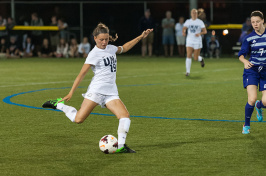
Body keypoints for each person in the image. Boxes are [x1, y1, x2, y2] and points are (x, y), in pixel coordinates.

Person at [42, 23, 153, 153]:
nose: (104, 42)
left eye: (106, 39)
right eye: (101, 40)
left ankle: (121, 146)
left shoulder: (111, 48)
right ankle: (58, 105)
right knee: (78, 119)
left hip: (111, 92)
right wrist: (71, 92)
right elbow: (81, 74)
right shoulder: (93, 54)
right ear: (94, 38)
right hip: (96, 91)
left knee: (125, 116)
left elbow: (124, 48)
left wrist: (141, 36)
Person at [238, 11, 266, 134]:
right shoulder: (249, 38)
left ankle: (259, 106)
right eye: (253, 22)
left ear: (263, 21)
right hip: (252, 70)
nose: (255, 24)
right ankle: (247, 125)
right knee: (252, 98)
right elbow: (241, 55)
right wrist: (244, 61)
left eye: (257, 22)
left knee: (265, 101)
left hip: (265, 71)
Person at [182, 9, 207, 76]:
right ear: (191, 14)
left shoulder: (200, 22)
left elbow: (205, 31)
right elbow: (184, 28)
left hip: (197, 41)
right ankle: (187, 72)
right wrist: (183, 32)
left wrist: (200, 33)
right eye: (193, 13)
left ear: (197, 14)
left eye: (195, 13)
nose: (194, 14)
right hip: (189, 40)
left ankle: (201, 59)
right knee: (189, 55)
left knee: (195, 58)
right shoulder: (188, 21)